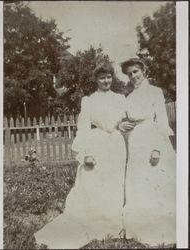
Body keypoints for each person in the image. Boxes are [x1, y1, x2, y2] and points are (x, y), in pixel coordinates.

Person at [35, 63, 128, 249]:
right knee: (95, 181)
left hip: (117, 144)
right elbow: (84, 126)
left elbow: (126, 120)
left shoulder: (120, 98)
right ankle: (98, 221)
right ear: (96, 80)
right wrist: (86, 153)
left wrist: (122, 126)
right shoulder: (89, 100)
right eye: (102, 78)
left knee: (115, 181)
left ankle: (113, 221)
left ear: (113, 77)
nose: (106, 81)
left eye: (109, 76)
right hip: (98, 142)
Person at [119, 58, 176, 247]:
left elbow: (161, 120)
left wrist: (157, 148)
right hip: (135, 142)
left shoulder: (155, 92)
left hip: (152, 138)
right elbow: (123, 119)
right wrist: (121, 125)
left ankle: (159, 228)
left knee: (155, 180)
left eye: (136, 71)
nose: (133, 76)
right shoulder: (129, 97)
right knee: (138, 182)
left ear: (144, 70)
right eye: (129, 74)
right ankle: (140, 228)